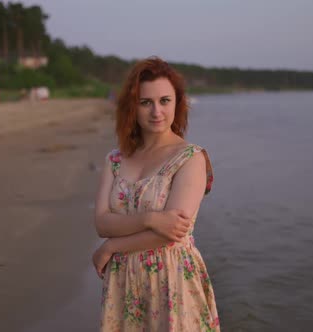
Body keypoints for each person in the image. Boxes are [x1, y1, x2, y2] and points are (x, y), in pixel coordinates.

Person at [92, 57, 220, 331]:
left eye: (165, 101)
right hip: (122, 280)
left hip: (171, 279)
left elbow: (171, 231)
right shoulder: (115, 159)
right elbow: (102, 223)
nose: (156, 111)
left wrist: (112, 247)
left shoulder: (190, 157)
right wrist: (151, 218)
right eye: (145, 102)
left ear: (178, 103)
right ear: (132, 106)